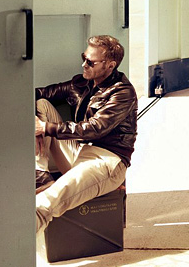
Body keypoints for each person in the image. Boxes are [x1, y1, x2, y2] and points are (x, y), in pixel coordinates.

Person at [34, 35, 137, 233]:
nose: (84, 64)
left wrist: (46, 128)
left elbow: (95, 128)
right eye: (84, 57)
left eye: (90, 61)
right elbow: (38, 94)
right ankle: (40, 175)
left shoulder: (123, 93)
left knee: (46, 203)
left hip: (107, 160)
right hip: (78, 151)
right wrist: (38, 127)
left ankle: (13, 247)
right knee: (41, 106)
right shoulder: (80, 84)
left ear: (110, 65)